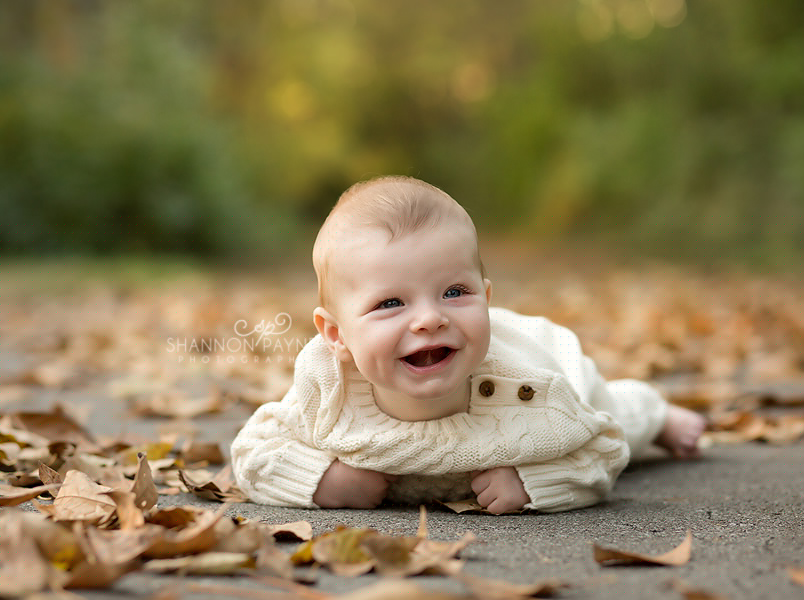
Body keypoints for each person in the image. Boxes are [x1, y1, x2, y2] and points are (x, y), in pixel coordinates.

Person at [231, 176, 706, 514]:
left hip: (549, 364)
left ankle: (658, 413)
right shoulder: (326, 391)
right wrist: (322, 482)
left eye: (455, 293)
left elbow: (602, 450)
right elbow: (253, 453)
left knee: (617, 411)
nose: (430, 319)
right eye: (391, 302)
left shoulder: (533, 392)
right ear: (336, 336)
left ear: (486, 298)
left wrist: (532, 481)